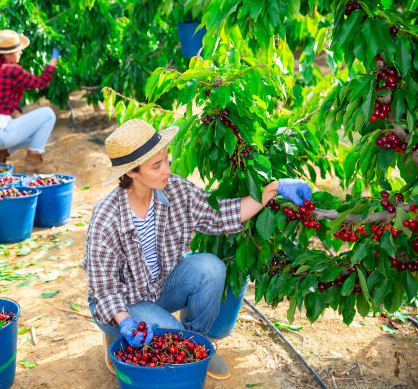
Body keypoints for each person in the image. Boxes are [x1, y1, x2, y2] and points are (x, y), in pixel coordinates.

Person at [83, 119, 313, 379]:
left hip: (157, 286)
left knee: (210, 267)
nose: (167, 170)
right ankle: (120, 334)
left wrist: (274, 188)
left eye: (167, 160)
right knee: (170, 334)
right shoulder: (107, 215)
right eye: (156, 166)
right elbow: (104, 288)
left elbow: (222, 215)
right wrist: (124, 321)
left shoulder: (175, 190)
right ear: (132, 173)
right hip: (121, 300)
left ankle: (197, 343)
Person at [0, 29, 59, 173]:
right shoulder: (12, 70)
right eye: (17, 50)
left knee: (37, 131)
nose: (21, 52)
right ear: (7, 54)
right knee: (48, 114)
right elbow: (41, 82)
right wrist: (53, 61)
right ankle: (33, 163)